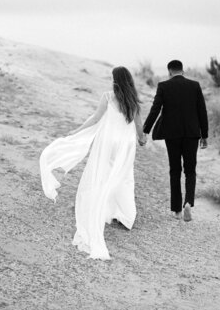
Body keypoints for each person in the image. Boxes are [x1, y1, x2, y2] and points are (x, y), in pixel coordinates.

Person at [39, 66, 146, 260]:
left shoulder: (108, 97)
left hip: (107, 143)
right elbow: (139, 126)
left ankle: (103, 208)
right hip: (125, 145)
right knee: (123, 178)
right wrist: (142, 139)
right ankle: (125, 216)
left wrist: (78, 131)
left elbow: (96, 119)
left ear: (115, 81)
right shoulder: (134, 102)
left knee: (103, 175)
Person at [142, 59, 208, 221]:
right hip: (192, 134)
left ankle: (177, 210)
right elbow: (202, 111)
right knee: (190, 170)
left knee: (175, 170)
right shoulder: (195, 86)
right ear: (182, 70)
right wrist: (204, 135)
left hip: (172, 135)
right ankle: (188, 202)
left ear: (169, 71)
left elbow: (155, 109)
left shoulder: (164, 86)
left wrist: (145, 130)